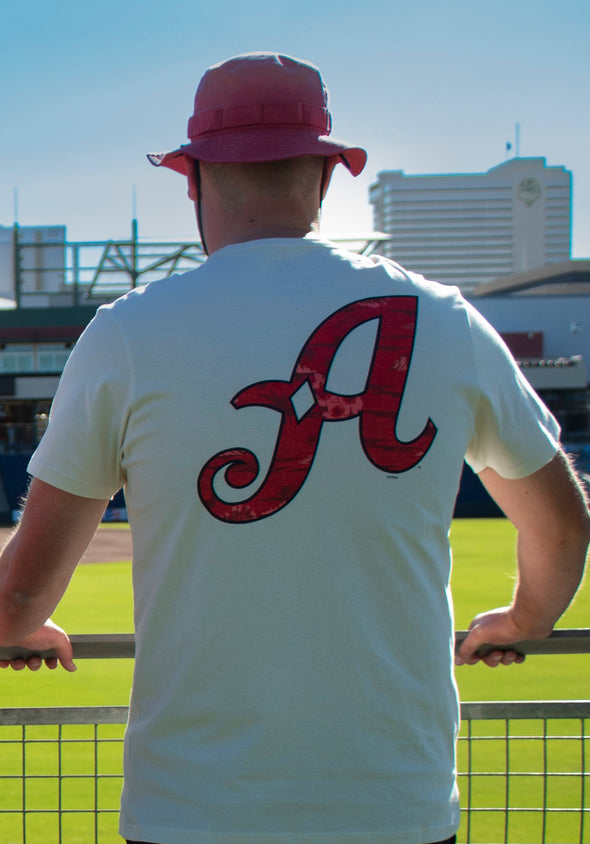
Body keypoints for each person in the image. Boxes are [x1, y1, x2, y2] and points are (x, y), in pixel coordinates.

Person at [1, 51, 589, 844]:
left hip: (192, 812)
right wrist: (525, 619)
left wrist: (18, 628)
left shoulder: (128, 334)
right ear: (325, 175)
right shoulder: (447, 320)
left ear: (193, 179)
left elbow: (21, 594)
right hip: (397, 808)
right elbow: (560, 527)